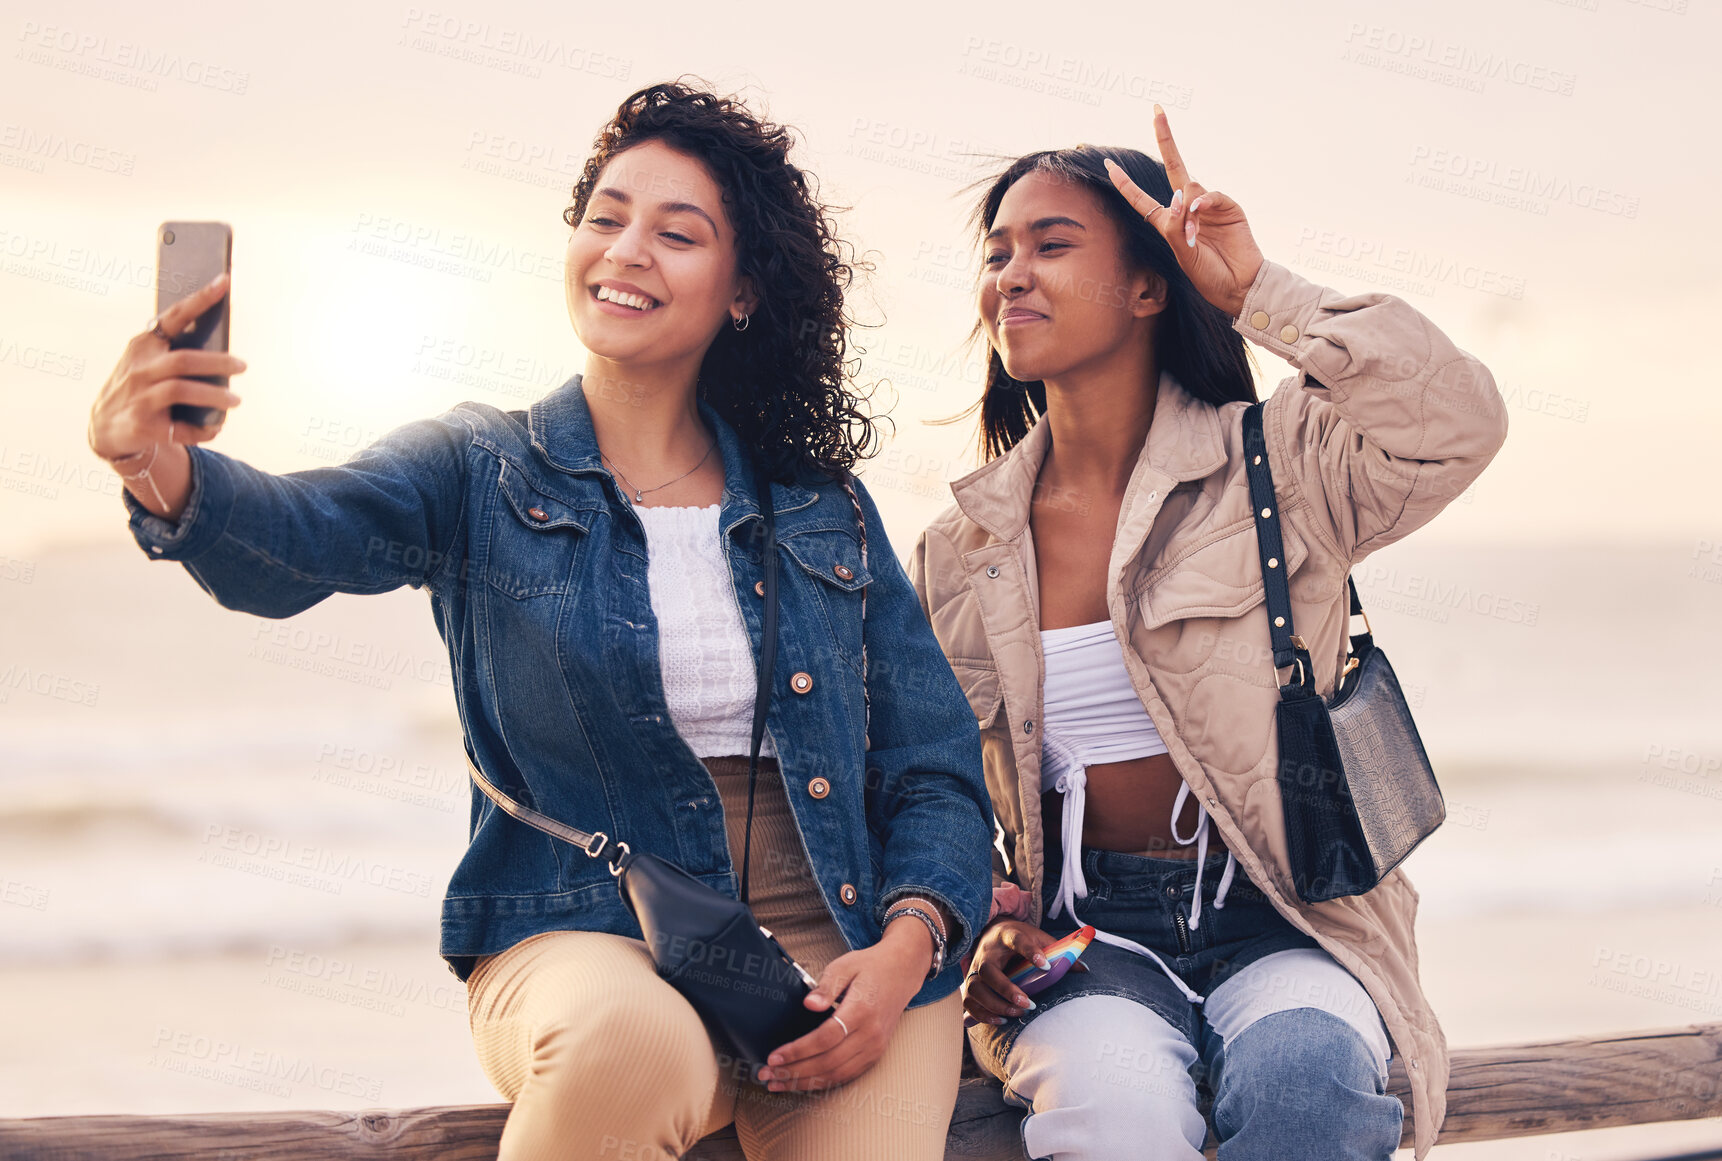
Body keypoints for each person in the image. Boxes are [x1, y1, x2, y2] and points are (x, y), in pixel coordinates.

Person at [88, 81, 995, 1161]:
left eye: (677, 232)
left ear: (744, 289)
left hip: (838, 937)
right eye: (606, 217)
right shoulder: (480, 469)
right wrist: (157, 463)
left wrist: (903, 955)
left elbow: (933, 764)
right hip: (584, 929)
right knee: (634, 1045)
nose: (626, 251)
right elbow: (300, 539)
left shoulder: (821, 503)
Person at [908, 106, 1508, 1161]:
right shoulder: (962, 549)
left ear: (1150, 286)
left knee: (1308, 1093)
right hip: (1090, 937)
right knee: (1114, 1118)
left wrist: (1257, 291)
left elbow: (1457, 419)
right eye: (998, 252)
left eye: (1052, 245)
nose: (1011, 273)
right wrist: (978, 919)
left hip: (1293, 915)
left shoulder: (1281, 463)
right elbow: (935, 785)